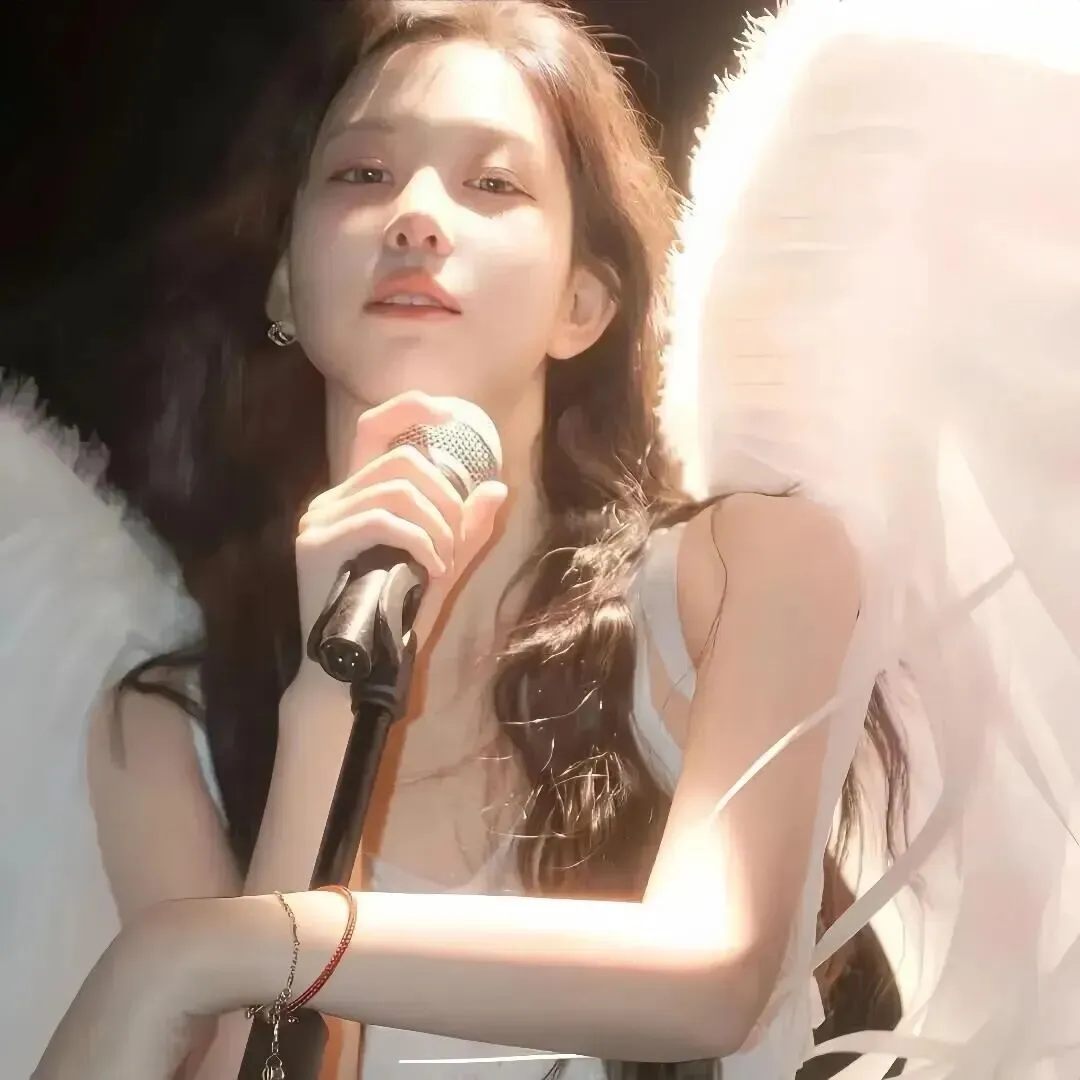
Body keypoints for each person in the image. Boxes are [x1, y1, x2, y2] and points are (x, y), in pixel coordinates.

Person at [15, 0, 1080, 1078]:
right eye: (361, 174)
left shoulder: (744, 568)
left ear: (585, 301)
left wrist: (213, 950)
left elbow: (712, 974)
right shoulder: (165, 729)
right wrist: (328, 704)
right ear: (287, 280)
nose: (416, 218)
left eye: (493, 185)